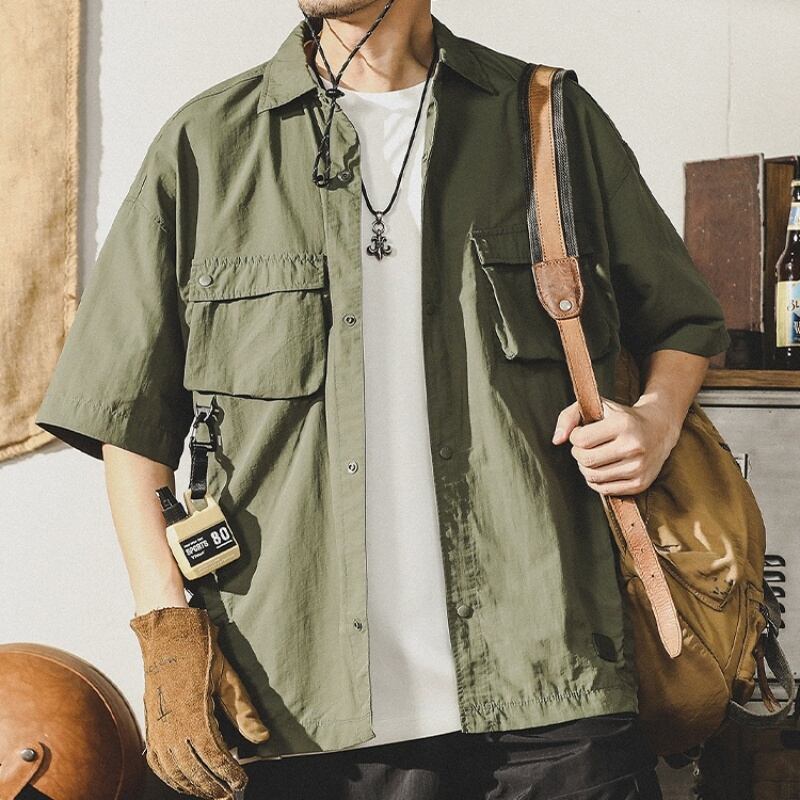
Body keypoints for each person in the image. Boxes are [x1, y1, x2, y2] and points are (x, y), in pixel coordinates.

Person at [35, 1, 731, 798]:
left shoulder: (548, 120)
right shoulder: (206, 143)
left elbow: (683, 320)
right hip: (293, 701)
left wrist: (656, 419)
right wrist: (167, 629)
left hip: (550, 686)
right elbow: (128, 415)